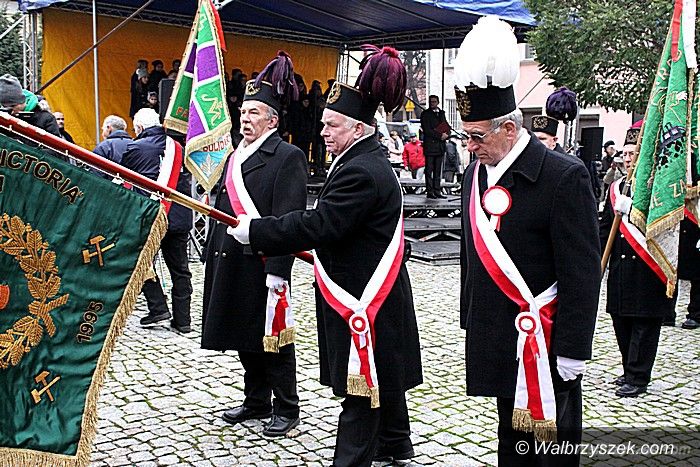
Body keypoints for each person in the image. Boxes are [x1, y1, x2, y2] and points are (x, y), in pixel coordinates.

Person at [229, 46, 422, 467]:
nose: (323, 133)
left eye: (331, 125)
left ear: (357, 128)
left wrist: (256, 231)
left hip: (363, 295)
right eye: (323, 124)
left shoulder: (361, 170)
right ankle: (396, 444)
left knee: (360, 386)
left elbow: (320, 224)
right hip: (370, 287)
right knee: (384, 371)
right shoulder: (360, 158)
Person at [454, 16, 600, 466]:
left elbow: (582, 272)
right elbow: (470, 256)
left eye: (476, 136)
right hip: (499, 335)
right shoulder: (474, 173)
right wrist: (470, 318)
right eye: (465, 135)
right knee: (511, 438)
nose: (469, 145)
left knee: (551, 445)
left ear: (509, 129)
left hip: (547, 337)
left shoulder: (564, 177)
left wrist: (574, 348)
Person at [201, 52, 307, 438]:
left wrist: (279, 271)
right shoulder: (234, 156)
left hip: (262, 263)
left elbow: (289, 219)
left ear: (272, 120)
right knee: (244, 335)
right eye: (243, 112)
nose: (245, 119)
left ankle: (287, 407)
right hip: (230, 258)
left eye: (254, 113)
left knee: (273, 340)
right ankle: (257, 399)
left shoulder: (288, 157)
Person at [599, 126, 677, 398]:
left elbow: (664, 224)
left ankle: (639, 375)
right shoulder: (617, 187)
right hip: (621, 266)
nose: (628, 158)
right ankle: (628, 369)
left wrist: (633, 209)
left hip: (647, 266)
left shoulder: (658, 187)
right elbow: (605, 228)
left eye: (634, 153)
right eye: (625, 153)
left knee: (644, 323)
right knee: (621, 320)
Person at [121, 108, 193, 334]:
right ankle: (183, 320)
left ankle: (158, 307)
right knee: (180, 269)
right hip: (179, 218)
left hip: (152, 218)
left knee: (141, 264)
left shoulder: (135, 147)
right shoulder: (178, 148)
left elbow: (124, 179)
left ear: (140, 127)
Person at [420, 95, 449, 198]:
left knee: (438, 171)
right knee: (429, 170)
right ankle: (430, 191)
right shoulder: (425, 114)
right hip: (430, 146)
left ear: (438, 102)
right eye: (431, 102)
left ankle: (437, 190)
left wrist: (447, 134)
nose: (432, 103)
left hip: (440, 146)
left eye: (434, 102)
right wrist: (440, 135)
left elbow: (446, 125)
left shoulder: (441, 113)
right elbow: (427, 130)